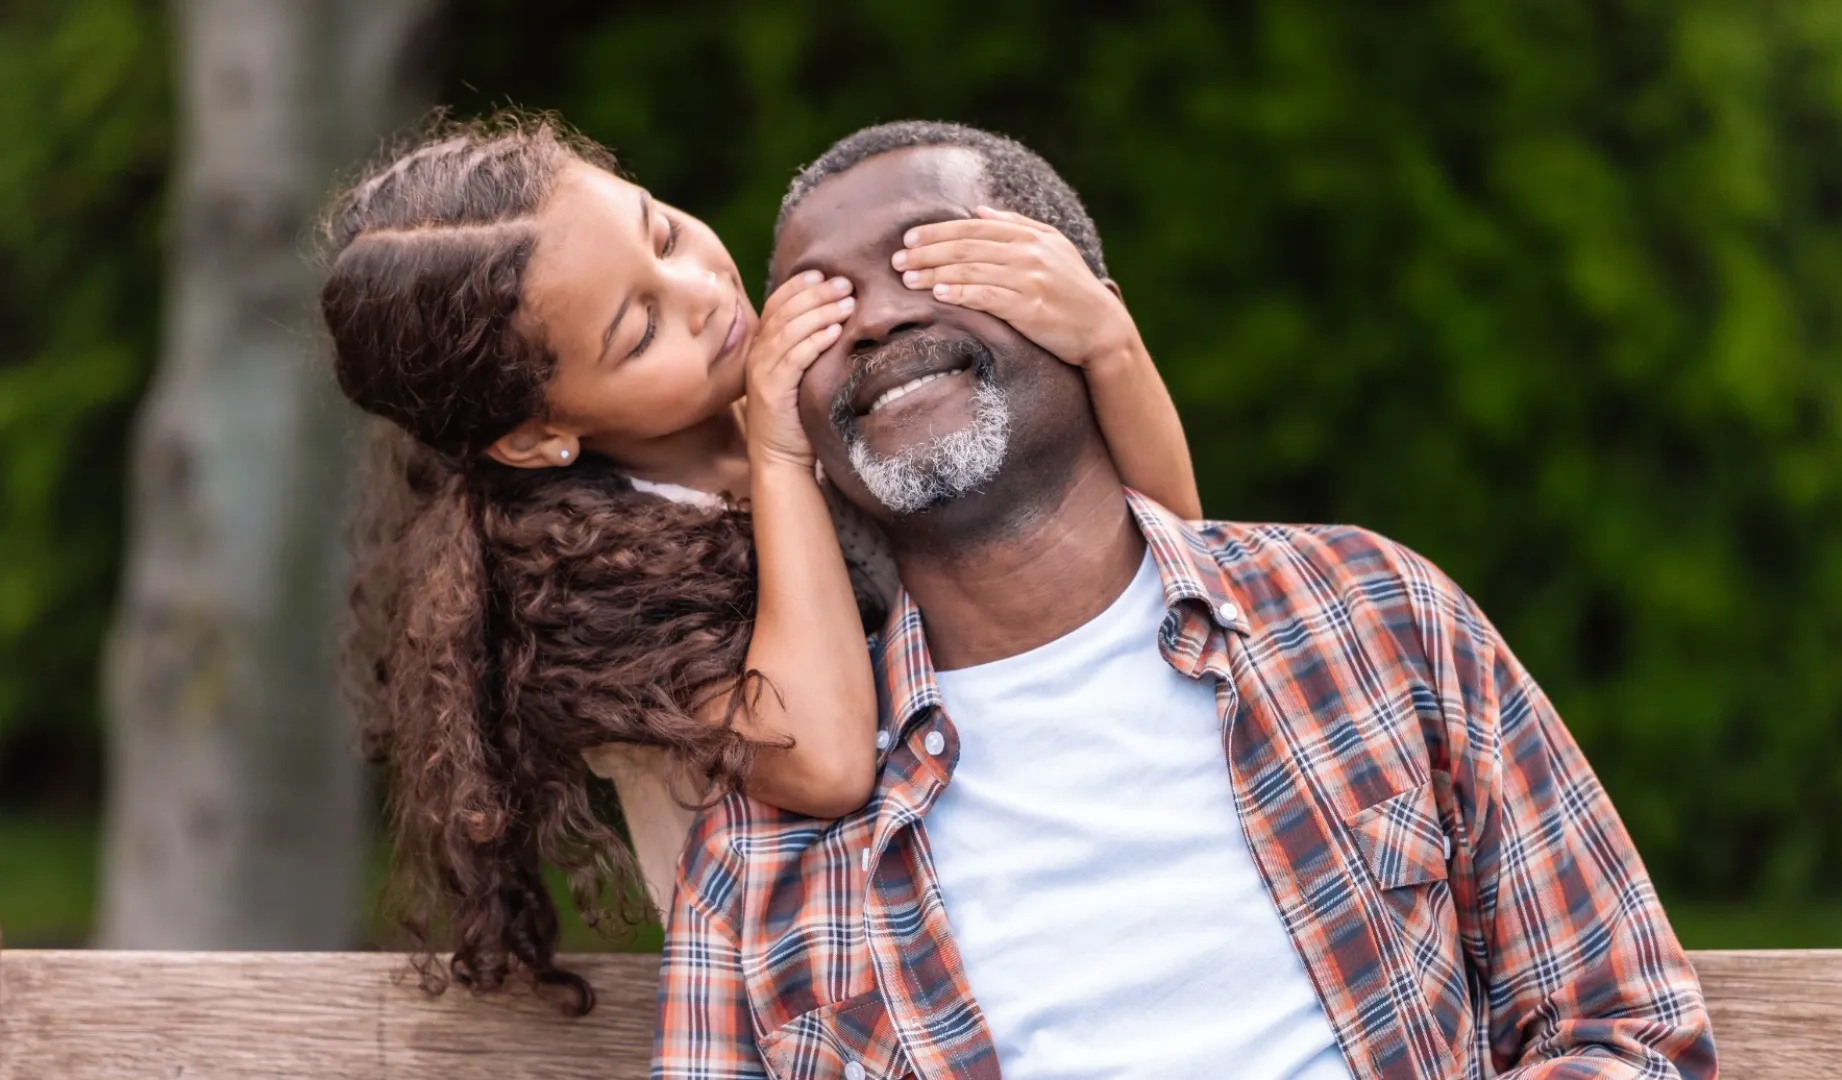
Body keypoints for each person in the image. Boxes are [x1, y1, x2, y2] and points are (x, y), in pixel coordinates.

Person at [653, 121, 1718, 1080]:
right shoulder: (761, 849)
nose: (877, 317)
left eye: (934, 258)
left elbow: (1623, 1031)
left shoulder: (1373, 618)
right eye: (818, 308)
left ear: (1085, 313)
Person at [316, 111, 1199, 1010]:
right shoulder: (569, 599)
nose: (698, 289)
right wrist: (779, 460)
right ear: (539, 436)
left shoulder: (819, 379)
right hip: (845, 997)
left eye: (659, 232)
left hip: (1031, 897)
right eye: (639, 330)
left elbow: (1158, 565)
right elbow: (824, 762)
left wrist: (1108, 341)